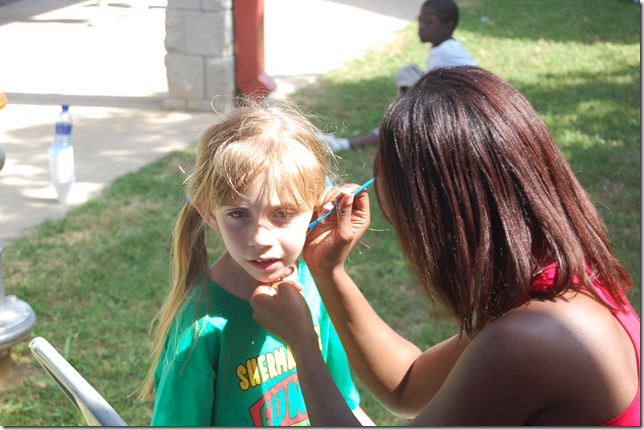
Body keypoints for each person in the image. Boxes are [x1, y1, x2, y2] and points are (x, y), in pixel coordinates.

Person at [250, 67, 640, 426]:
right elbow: (407, 386)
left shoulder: (529, 340)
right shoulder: (558, 283)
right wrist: (326, 270)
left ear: (434, 216)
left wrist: (303, 342)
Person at [139, 101, 374, 426]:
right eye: (238, 213)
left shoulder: (316, 286)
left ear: (318, 209)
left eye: (283, 213)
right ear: (209, 214)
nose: (260, 238)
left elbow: (344, 405)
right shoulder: (199, 333)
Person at [322, 0, 476, 152]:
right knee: (409, 72)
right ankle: (405, 114)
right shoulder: (443, 48)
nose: (421, 27)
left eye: (429, 22)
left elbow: (475, 79)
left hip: (455, 110)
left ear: (447, 27)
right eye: (421, 20)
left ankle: (346, 143)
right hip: (441, 101)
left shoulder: (448, 51)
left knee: (404, 105)